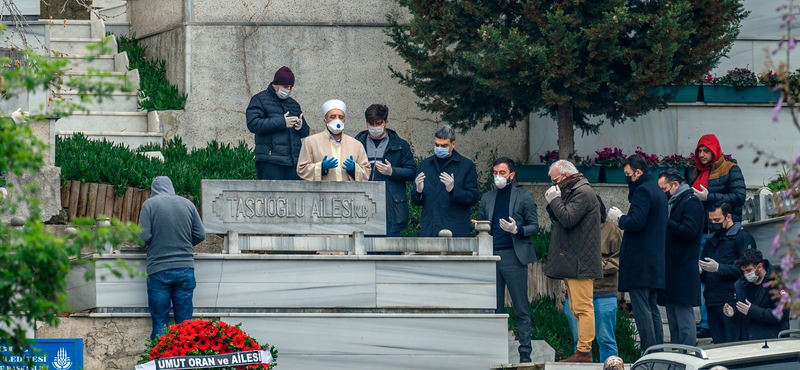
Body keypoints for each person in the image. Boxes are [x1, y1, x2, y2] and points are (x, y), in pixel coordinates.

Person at [476, 157, 539, 363]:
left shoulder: (524, 196)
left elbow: (534, 226)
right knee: (494, 308)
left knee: (521, 308)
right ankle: (493, 353)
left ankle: (524, 355)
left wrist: (517, 229)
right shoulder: (487, 197)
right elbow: (482, 224)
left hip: (514, 256)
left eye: (502, 173)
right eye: (495, 173)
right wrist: (479, 226)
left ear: (512, 175)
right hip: (490, 256)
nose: (498, 177)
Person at [606, 154, 668, 352]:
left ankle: (649, 351)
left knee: (642, 311)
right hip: (653, 261)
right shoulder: (656, 190)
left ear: (638, 172)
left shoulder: (642, 191)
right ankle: (657, 349)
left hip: (640, 262)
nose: (626, 178)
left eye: (628, 174)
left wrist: (619, 218)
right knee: (652, 309)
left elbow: (636, 223)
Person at [543, 160, 602, 363]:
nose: (553, 185)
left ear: (566, 176)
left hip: (580, 262)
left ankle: (584, 353)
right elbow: (561, 218)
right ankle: (581, 350)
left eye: (555, 180)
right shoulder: (574, 190)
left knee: (583, 308)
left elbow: (568, 218)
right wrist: (554, 203)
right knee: (577, 308)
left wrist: (554, 201)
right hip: (575, 260)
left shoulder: (583, 192)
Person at [689, 134, 746, 338]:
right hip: (702, 232)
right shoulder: (697, 171)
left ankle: (707, 323)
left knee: (717, 274)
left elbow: (740, 197)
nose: (702, 155)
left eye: (706, 151)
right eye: (699, 151)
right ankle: (706, 322)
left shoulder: (730, 169)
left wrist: (709, 197)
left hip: (724, 232)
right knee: (704, 276)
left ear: (715, 150)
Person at [138, 176, 206, 340]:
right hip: (185, 269)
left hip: (159, 270)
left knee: (160, 325)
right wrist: (185, 244)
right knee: (185, 326)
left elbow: (142, 238)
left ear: (153, 190)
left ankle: (160, 363)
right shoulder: (187, 204)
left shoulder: (150, 205)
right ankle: (185, 362)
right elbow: (201, 234)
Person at [564, 195, 621, 364]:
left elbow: (619, 259)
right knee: (579, 344)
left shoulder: (612, 229)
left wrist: (592, 268)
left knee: (606, 341)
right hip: (575, 294)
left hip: (603, 293)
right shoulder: (570, 230)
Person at [656, 169, 704, 345]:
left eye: (664, 188)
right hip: (671, 268)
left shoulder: (691, 202)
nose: (662, 193)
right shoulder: (674, 202)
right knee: (673, 318)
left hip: (683, 267)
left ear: (675, 185)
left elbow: (690, 231)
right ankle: (677, 353)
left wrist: (666, 221)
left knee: (684, 319)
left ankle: (687, 352)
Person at [354, 104, 417, 236]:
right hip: (364, 204)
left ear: (386, 122)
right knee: (366, 249)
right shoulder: (357, 143)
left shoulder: (400, 145)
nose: (375, 127)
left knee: (390, 251)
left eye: (379, 123)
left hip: (390, 206)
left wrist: (392, 171)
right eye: (372, 124)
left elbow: (412, 172)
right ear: (366, 123)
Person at [700, 201, 757, 344]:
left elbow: (748, 271)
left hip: (732, 301)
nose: (714, 224)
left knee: (734, 345)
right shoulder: (711, 239)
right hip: (712, 301)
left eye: (717, 220)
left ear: (728, 217)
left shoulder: (741, 237)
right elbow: (705, 271)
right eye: (711, 220)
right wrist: (701, 272)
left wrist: (719, 268)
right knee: (719, 347)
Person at [411, 125, 479, 237]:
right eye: (437, 144)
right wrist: (418, 191)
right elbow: (416, 202)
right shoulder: (425, 165)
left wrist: (453, 190)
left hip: (455, 231)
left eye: (444, 145)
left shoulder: (466, 166)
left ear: (453, 144)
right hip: (430, 230)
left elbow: (472, 198)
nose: (439, 148)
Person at [246, 66, 310, 180]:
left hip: (292, 161)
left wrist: (301, 127)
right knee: (270, 197)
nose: (288, 90)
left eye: (291, 87)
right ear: (275, 84)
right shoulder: (259, 99)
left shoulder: (293, 104)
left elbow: (305, 132)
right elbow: (253, 124)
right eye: (285, 86)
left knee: (292, 197)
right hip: (270, 160)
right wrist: (281, 122)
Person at [296, 99, 371, 182]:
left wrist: (353, 169)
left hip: (348, 193)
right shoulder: (310, 142)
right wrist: (321, 167)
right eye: (333, 117)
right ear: (325, 121)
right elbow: (301, 170)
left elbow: (366, 173)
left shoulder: (356, 144)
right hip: (321, 193)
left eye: (341, 117)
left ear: (344, 121)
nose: (337, 120)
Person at [724, 248, 790, 341]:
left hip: (769, 342)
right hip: (745, 341)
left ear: (759, 266)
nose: (746, 274)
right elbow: (742, 314)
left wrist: (752, 310)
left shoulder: (776, 284)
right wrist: (733, 313)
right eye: (743, 271)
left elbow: (782, 314)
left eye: (749, 270)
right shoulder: (741, 285)